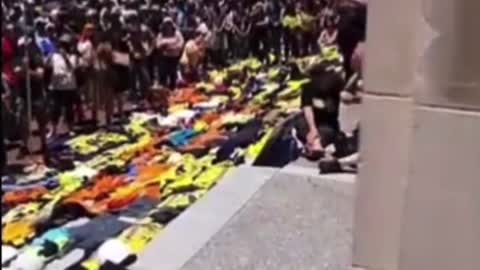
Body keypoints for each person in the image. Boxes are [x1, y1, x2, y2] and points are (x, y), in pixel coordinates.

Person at [297, 54, 345, 157]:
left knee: (322, 131)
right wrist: (313, 128)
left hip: (325, 125)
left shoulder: (331, 86)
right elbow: (307, 108)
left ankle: (315, 143)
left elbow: (308, 108)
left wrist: (313, 129)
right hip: (321, 125)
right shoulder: (310, 87)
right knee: (303, 125)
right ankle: (316, 143)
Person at [47, 34, 79, 137]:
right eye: (61, 45)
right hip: (56, 87)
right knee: (55, 109)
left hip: (69, 86)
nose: (63, 47)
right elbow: (47, 66)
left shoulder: (73, 56)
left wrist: (65, 57)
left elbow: (72, 67)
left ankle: (70, 128)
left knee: (69, 108)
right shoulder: (54, 56)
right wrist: (49, 56)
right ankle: (53, 130)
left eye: (65, 45)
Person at [156, 17, 184, 91]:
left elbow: (181, 44)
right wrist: (164, 46)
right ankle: (163, 89)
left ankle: (172, 88)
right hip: (164, 57)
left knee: (173, 73)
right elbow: (158, 45)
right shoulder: (161, 34)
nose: (168, 26)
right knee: (163, 73)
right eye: (166, 24)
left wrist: (172, 47)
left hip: (174, 56)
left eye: (169, 24)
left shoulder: (177, 33)